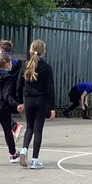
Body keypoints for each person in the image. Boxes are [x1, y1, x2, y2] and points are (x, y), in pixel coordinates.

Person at [18, 41, 55, 169]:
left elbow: (19, 85)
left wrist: (20, 101)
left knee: (29, 127)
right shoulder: (46, 67)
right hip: (41, 100)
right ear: (43, 51)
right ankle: (34, 160)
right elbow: (50, 88)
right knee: (38, 129)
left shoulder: (25, 65)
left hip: (28, 99)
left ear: (30, 50)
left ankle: (23, 149)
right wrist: (52, 107)